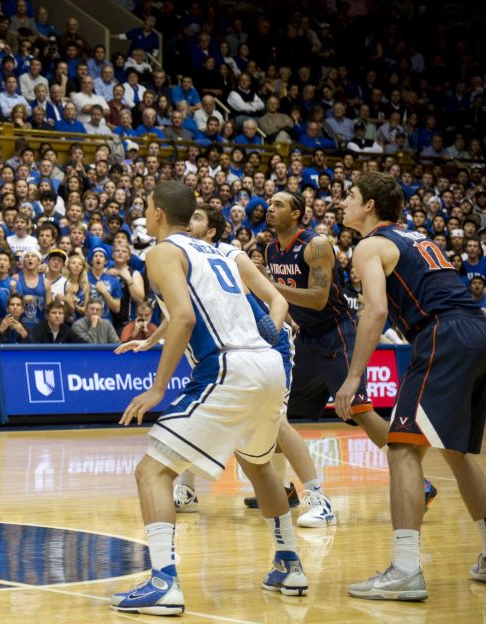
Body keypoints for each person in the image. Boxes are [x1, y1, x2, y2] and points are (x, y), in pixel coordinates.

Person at [110, 181, 305, 615]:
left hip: (227, 367)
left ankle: (163, 581)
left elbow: (184, 315)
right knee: (259, 466)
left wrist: (159, 388)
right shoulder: (222, 252)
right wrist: (152, 341)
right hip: (268, 364)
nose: (144, 212)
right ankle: (289, 562)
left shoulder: (161, 252)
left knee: (152, 472)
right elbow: (212, 306)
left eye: (145, 205)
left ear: (158, 213)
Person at [337, 172, 486, 601]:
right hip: (476, 329)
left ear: (370, 206)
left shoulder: (370, 245)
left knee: (402, 447)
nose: (344, 201)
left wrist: (353, 378)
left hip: (443, 335)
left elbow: (376, 310)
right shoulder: (415, 236)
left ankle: (405, 570)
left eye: (351, 195)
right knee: (457, 453)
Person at [263, 191, 436, 509]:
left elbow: (317, 297)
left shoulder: (315, 244)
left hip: (336, 333)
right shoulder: (271, 249)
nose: (269, 208)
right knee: (279, 417)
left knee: (361, 411)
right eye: (269, 204)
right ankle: (285, 488)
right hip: (307, 339)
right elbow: (287, 299)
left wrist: (268, 285)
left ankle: (419, 482)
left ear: (298, 214)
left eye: (278, 205)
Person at [173, 206, 337, 530]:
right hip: (229, 349)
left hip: (264, 344)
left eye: (196, 218)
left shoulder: (231, 256)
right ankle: (187, 490)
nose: (187, 223)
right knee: (201, 410)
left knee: (277, 423)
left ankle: (319, 499)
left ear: (211, 233)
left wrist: (269, 335)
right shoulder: (183, 259)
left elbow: (276, 301)